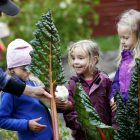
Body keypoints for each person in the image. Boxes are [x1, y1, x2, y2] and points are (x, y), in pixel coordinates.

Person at [56, 40, 112, 140]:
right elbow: (69, 112)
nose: (75, 62)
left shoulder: (104, 80)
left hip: (104, 135)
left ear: (94, 60)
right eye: (73, 58)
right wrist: (84, 125)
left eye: (80, 58)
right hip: (82, 136)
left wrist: (114, 129)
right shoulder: (73, 83)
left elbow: (114, 107)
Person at [0, 38, 52, 140]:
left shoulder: (32, 82)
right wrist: (26, 124)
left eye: (31, 67)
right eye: (24, 69)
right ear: (12, 69)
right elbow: (2, 120)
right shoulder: (9, 92)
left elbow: (43, 105)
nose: (28, 71)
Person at [0, 0, 52, 99]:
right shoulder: (9, 96)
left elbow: (1, 80)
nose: (1, 15)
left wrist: (32, 91)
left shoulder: (32, 83)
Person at [109, 9, 140, 127]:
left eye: (126, 38)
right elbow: (116, 82)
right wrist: (113, 96)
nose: (122, 41)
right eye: (120, 37)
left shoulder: (137, 62)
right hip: (123, 111)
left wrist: (122, 100)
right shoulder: (125, 58)